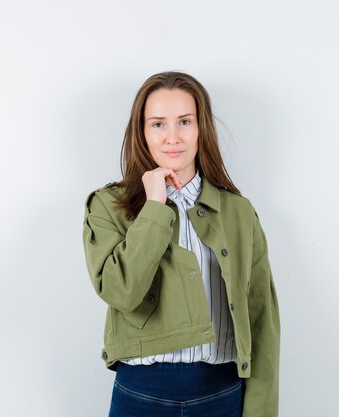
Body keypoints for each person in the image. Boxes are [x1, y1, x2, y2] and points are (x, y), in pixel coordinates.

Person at [82, 71, 280, 417]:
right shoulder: (107, 205)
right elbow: (121, 291)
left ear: (201, 128)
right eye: (158, 124)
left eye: (184, 122)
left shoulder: (238, 211)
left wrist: (261, 411)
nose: (173, 137)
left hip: (223, 393)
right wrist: (154, 207)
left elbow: (261, 317)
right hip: (141, 395)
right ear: (141, 133)